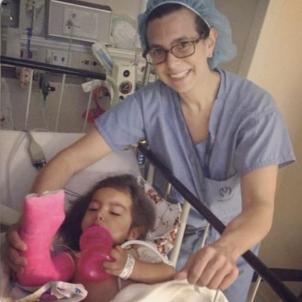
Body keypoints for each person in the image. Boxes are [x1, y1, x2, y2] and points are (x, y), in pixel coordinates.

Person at [6, 0, 295, 301]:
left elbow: (260, 208)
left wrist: (225, 249)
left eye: (183, 44)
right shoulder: (149, 103)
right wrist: (32, 230)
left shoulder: (254, 111)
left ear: (210, 40)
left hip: (229, 247)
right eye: (158, 51)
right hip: (164, 240)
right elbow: (68, 161)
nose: (171, 63)